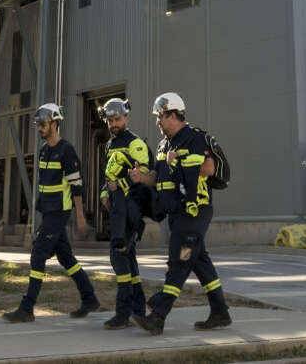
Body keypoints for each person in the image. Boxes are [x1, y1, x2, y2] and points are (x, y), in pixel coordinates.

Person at [129, 92, 230, 335]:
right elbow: (159, 176)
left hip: (194, 209)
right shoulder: (165, 144)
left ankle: (158, 314)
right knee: (199, 260)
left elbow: (209, 167)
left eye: (160, 117)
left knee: (180, 259)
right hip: (175, 213)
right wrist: (141, 177)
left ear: (173, 114)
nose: (157, 122)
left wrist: (180, 163)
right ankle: (220, 312)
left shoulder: (194, 138)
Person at [3, 103, 100, 322]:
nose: (39, 128)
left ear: (55, 124)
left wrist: (80, 216)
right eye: (38, 125)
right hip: (47, 212)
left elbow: (77, 186)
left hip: (59, 212)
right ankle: (90, 298)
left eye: (43, 124)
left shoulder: (66, 151)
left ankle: (27, 308)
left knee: (38, 254)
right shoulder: (45, 151)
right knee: (66, 258)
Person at [97, 98, 154, 329]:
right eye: (110, 120)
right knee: (127, 258)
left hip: (130, 210)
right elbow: (110, 176)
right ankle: (137, 310)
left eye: (117, 119)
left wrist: (119, 186)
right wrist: (104, 193)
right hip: (117, 210)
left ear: (126, 117)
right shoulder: (111, 144)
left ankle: (123, 313)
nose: (113, 123)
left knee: (118, 255)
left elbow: (145, 179)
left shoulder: (135, 143)